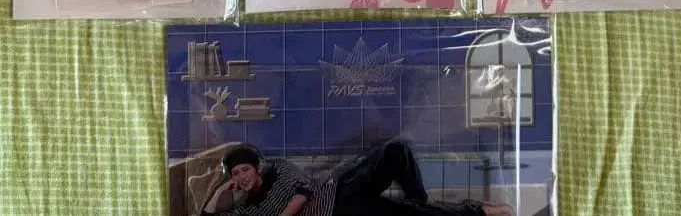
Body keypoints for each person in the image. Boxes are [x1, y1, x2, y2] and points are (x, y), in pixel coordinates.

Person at [203, 139, 514, 216]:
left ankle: (420, 207)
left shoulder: (279, 168)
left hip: (340, 189)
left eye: (244, 170)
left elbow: (305, 191)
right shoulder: (247, 210)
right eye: (235, 174)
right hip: (344, 212)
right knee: (411, 212)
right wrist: (219, 193)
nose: (242, 177)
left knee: (395, 150)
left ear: (257, 167)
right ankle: (482, 212)